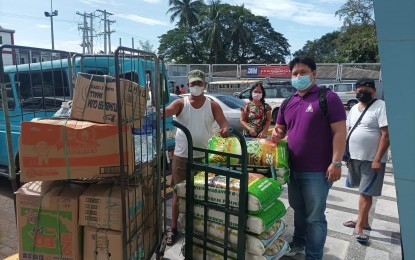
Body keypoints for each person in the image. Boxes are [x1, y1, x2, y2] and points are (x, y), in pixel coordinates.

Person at [271, 56, 347, 259]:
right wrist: (277, 134)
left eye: (303, 72)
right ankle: (299, 243)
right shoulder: (288, 101)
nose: (298, 76)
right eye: (295, 73)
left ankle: (313, 255)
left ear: (314, 73)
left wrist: (336, 162)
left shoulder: (327, 98)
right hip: (292, 169)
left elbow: (340, 132)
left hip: (318, 171)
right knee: (298, 209)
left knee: (315, 217)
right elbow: (280, 128)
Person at [162, 69, 229, 245]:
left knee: (202, 194)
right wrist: (158, 111)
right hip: (182, 156)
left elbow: (223, 122)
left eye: (200, 83)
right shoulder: (181, 103)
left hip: (205, 156)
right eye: (193, 84)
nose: (196, 86)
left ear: (204, 85)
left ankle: (199, 229)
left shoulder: (212, 104)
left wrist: (224, 129)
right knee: (178, 192)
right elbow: (168, 111)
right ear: (188, 85)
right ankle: (174, 228)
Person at [342, 78, 389, 243]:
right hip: (354, 158)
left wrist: (377, 159)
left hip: (372, 160)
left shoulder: (381, 106)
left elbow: (386, 134)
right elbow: (349, 130)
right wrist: (346, 155)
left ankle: (359, 227)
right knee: (361, 191)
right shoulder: (354, 107)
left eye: (366, 91)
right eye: (359, 91)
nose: (362, 94)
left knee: (366, 193)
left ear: (374, 92)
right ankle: (365, 221)